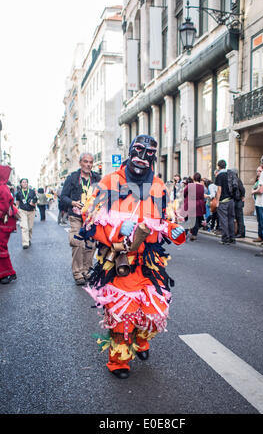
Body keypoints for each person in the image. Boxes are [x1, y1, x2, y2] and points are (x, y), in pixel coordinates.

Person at [80, 135, 185, 379]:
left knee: (154, 312)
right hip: (120, 262)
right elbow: (90, 220)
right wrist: (117, 231)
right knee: (123, 315)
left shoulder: (159, 185)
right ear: (129, 151)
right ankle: (119, 362)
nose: (143, 155)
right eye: (138, 149)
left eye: (150, 152)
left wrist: (173, 230)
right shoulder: (109, 182)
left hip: (149, 263)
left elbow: (163, 221)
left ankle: (140, 340)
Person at [61, 152, 101, 285]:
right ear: (80, 163)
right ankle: (77, 272)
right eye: (85, 161)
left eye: (90, 162)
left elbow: (103, 195)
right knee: (77, 242)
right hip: (76, 216)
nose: (88, 164)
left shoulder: (96, 178)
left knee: (90, 245)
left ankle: (86, 270)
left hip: (91, 217)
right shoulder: (72, 178)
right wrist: (73, 202)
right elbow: (63, 197)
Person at [0, 165, 18, 284]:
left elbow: (3, 206)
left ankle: (8, 273)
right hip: (0, 221)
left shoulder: (1, 188)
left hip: (4, 221)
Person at [215, 160, 235, 244]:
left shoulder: (220, 175)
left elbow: (219, 189)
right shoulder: (230, 174)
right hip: (231, 200)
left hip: (223, 200)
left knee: (223, 220)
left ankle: (225, 238)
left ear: (218, 166)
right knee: (231, 219)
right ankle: (232, 238)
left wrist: (217, 201)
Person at [16, 178, 37, 249]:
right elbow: (17, 203)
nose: (25, 183)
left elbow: (36, 201)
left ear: (27, 183)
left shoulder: (32, 191)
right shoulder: (18, 193)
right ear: (21, 184)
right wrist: (16, 211)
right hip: (22, 211)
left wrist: (33, 203)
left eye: (26, 182)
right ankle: (25, 243)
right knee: (24, 227)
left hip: (31, 211)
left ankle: (28, 239)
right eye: (23, 182)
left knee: (30, 227)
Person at [188, 172, 206, 240]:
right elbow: (202, 195)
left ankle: (194, 234)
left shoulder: (191, 185)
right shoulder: (202, 186)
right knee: (198, 218)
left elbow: (186, 194)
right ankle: (195, 232)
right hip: (200, 203)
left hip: (193, 203)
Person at [230, 168, 246, 238]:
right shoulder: (234, 180)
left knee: (239, 217)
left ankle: (241, 232)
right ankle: (238, 231)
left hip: (238, 200)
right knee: (237, 217)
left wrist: (242, 196)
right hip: (236, 200)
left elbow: (242, 189)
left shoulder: (237, 180)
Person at [252, 166, 263, 243]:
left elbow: (260, 190)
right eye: (257, 171)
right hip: (257, 202)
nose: (258, 172)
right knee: (259, 220)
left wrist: (254, 191)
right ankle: (260, 236)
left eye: (260, 171)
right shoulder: (257, 180)